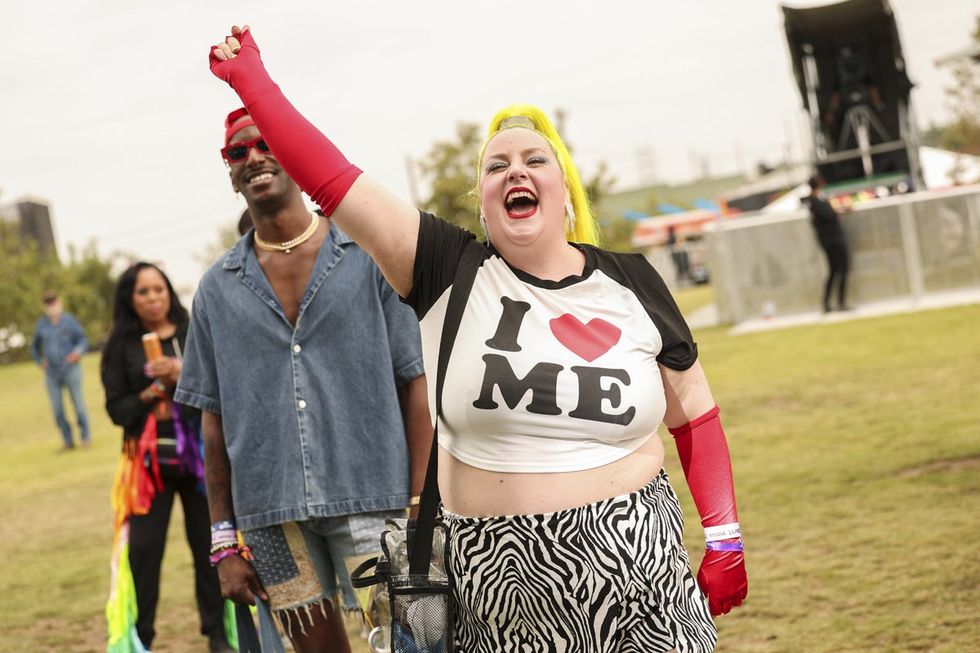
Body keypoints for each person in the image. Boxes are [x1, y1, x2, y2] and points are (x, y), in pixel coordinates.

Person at [206, 26, 747, 653]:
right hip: (501, 602)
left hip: (645, 587)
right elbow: (331, 178)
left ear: (565, 193)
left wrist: (724, 536)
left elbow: (696, 415)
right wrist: (254, 82)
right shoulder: (445, 267)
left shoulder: (632, 281)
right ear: (483, 201)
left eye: (535, 160)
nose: (516, 170)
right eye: (497, 165)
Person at [173, 104, 431, 653]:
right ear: (229, 169)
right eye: (238, 151)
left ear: (291, 153)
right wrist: (223, 540)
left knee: (410, 642)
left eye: (265, 144)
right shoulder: (216, 289)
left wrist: (421, 503)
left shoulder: (367, 258)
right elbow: (212, 422)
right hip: (272, 514)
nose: (253, 158)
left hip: (374, 496)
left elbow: (415, 383)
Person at [100, 262, 232, 653]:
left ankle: (218, 634)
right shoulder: (120, 346)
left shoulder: (193, 331)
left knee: (209, 545)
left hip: (200, 461)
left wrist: (180, 374)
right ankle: (141, 637)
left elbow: (217, 388)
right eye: (143, 291)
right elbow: (117, 411)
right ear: (130, 299)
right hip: (148, 468)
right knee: (143, 551)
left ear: (169, 292)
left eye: (159, 289)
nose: (153, 298)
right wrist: (154, 390)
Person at [31, 289, 91, 450]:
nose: (51, 306)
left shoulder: (70, 321)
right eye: (48, 303)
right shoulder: (41, 324)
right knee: (58, 410)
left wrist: (77, 353)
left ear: (59, 302)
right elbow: (34, 347)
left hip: (71, 369)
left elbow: (83, 340)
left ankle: (85, 437)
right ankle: (67, 441)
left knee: (79, 405)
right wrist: (40, 361)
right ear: (44, 306)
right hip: (51, 372)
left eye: (53, 302)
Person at [804, 176, 851, 312]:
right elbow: (829, 216)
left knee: (835, 270)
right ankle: (839, 303)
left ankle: (829, 302)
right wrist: (836, 211)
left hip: (830, 240)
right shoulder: (816, 202)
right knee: (841, 269)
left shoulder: (816, 202)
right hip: (833, 241)